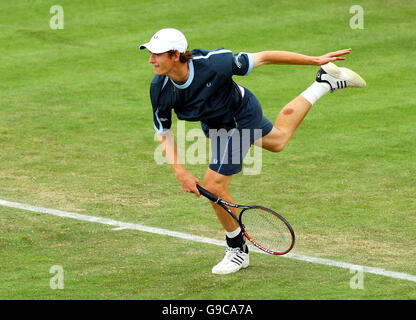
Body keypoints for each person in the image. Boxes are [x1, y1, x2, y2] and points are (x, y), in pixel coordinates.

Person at [139, 28, 365, 275]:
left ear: (175, 55)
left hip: (239, 117)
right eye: (150, 53)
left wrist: (314, 59)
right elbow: (163, 132)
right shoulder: (159, 88)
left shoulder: (216, 63)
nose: (151, 59)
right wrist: (180, 172)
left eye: (156, 54)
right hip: (216, 124)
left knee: (214, 185)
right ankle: (323, 83)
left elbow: (264, 57)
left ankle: (237, 249)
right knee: (278, 141)